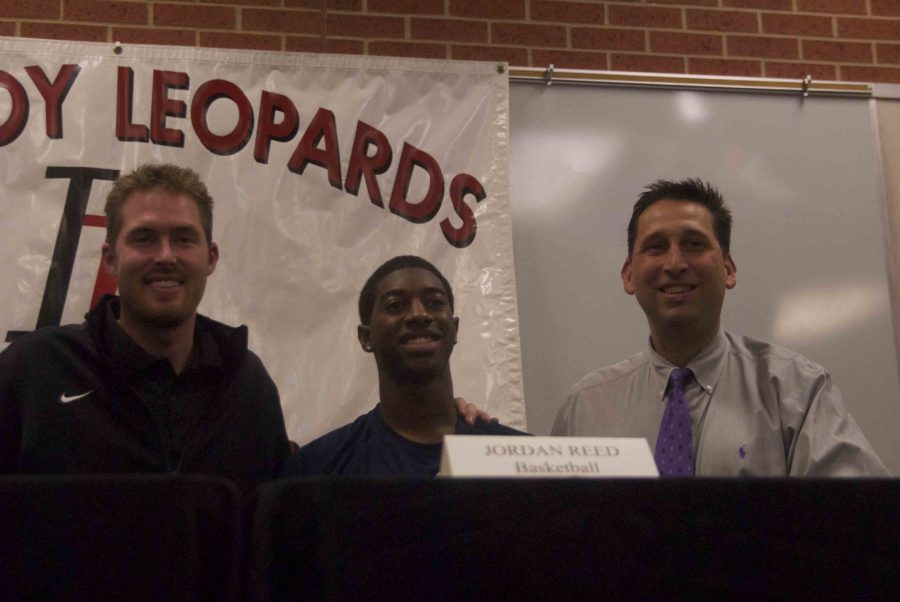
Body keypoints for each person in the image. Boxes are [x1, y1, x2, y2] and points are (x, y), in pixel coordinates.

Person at [552, 178, 889, 477]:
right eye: (656, 247)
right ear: (628, 275)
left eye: (694, 244)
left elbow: (864, 520)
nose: (674, 264)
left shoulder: (796, 391)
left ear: (728, 269)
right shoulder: (585, 408)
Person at [0, 163, 291, 493]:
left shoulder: (247, 384)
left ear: (210, 258)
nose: (166, 256)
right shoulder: (35, 370)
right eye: (145, 239)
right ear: (110, 258)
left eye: (184, 239)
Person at [282, 255, 525, 478]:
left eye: (434, 302)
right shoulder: (317, 469)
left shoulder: (521, 463)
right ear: (366, 337)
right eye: (396, 306)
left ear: (455, 329)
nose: (419, 315)